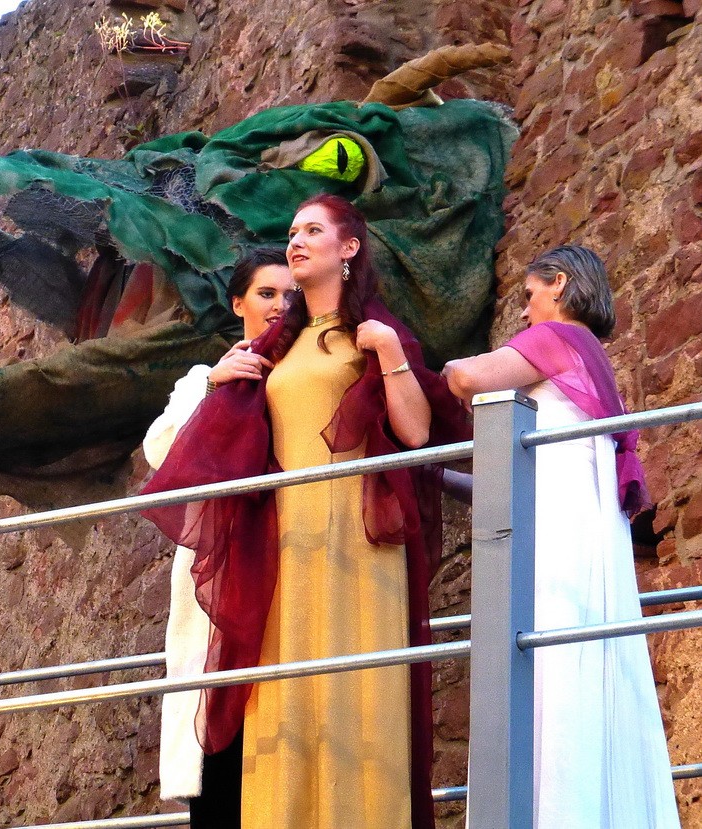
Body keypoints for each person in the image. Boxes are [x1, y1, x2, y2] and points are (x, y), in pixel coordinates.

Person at [143, 194, 467, 828]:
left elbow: (417, 433)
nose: (296, 240)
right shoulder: (275, 345)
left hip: (357, 539)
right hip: (282, 541)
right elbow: (189, 449)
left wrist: (391, 354)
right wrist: (218, 381)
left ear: (348, 249)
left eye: (312, 230)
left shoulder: (373, 330)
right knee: (279, 694)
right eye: (292, 230)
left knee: (355, 692)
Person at [442, 245, 680, 828]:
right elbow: (531, 475)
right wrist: (434, 475)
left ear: (561, 284)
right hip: (573, 530)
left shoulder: (560, 337)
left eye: (530, 296)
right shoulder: (594, 360)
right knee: (568, 669)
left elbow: (468, 377)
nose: (525, 313)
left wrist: (426, 370)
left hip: (556, 541)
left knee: (545, 668)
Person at [142, 249, 294, 828]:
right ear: (238, 304)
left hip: (293, 557)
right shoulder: (201, 379)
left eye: (290, 295)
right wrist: (214, 385)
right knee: (220, 717)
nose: (280, 305)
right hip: (224, 567)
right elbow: (161, 452)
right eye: (266, 293)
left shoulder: (310, 370)